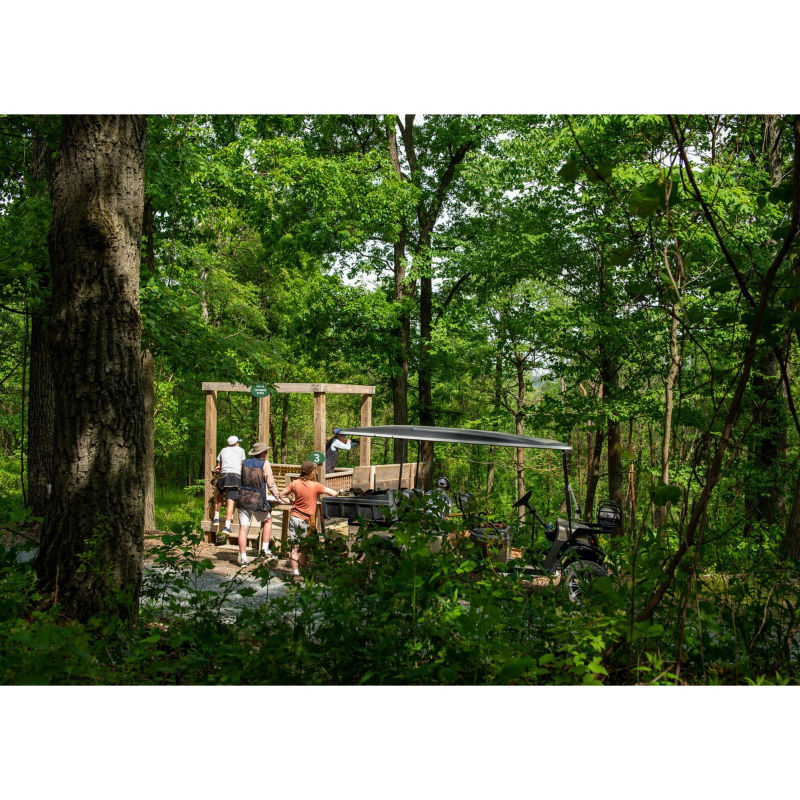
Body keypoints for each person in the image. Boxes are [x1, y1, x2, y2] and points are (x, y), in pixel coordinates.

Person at [235, 442, 289, 566]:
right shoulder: (264, 463)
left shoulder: (243, 463)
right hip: (257, 499)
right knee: (268, 520)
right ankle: (265, 548)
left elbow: (240, 479)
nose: (267, 453)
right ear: (262, 453)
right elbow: (270, 483)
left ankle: (243, 558)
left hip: (243, 498)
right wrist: (277, 496)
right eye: (266, 451)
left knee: (243, 528)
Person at [283, 461, 338, 578]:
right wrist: (338, 492)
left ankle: (296, 573)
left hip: (294, 516)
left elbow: (282, 495)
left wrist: (292, 502)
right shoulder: (315, 485)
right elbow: (333, 493)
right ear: (312, 472)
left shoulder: (295, 483)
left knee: (294, 547)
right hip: (306, 520)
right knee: (304, 548)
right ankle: (302, 572)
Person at [213, 435, 245, 534]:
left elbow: (221, 466)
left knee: (218, 493)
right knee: (231, 500)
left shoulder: (223, 450)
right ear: (235, 443)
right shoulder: (241, 450)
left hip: (224, 475)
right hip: (236, 476)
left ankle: (216, 517)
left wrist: (218, 469)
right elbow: (241, 464)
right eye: (238, 442)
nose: (239, 443)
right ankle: (227, 526)